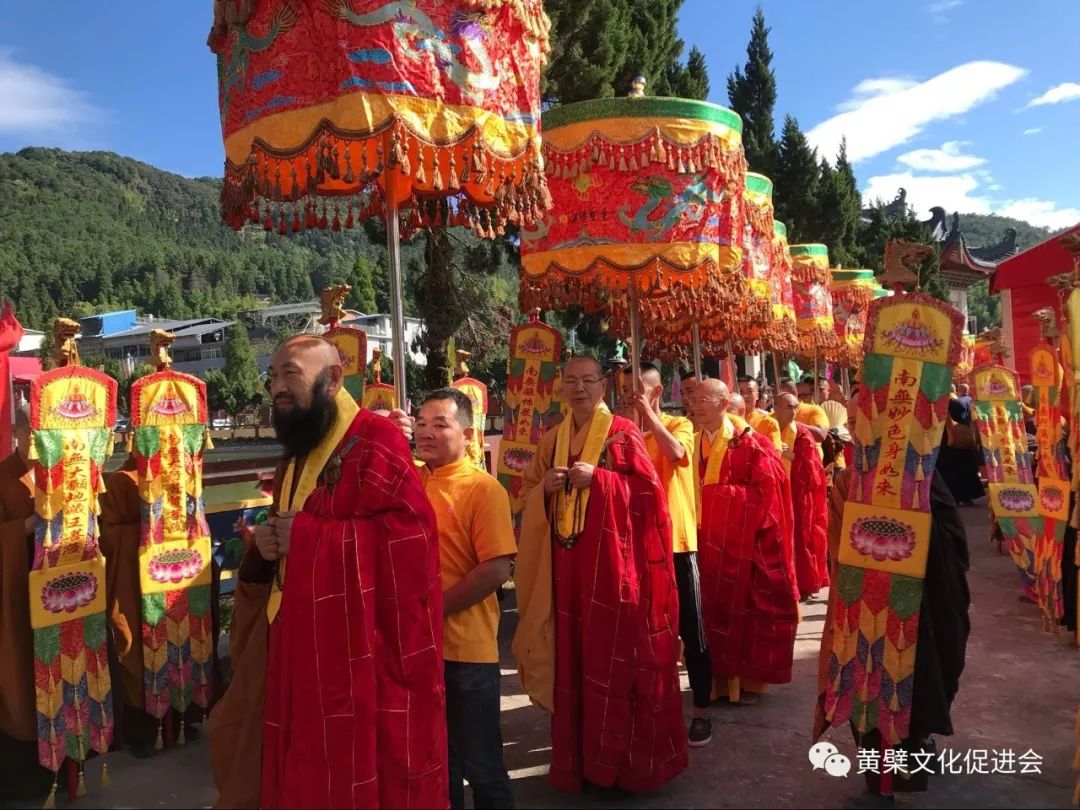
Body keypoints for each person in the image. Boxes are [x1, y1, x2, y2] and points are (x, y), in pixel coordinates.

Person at [209, 335, 447, 809]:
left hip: (360, 655)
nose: (278, 386)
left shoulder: (375, 442)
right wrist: (268, 547)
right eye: (273, 376)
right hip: (295, 647)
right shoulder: (298, 449)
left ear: (333, 379)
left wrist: (313, 538)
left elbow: (414, 541)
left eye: (291, 373)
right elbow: (288, 534)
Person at [512, 355, 687, 793]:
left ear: (603, 387)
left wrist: (604, 481)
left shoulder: (623, 434)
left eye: (588, 381)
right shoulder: (552, 440)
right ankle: (582, 764)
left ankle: (626, 767)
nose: (579, 389)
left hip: (613, 570)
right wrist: (545, 492)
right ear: (561, 388)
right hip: (566, 572)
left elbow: (651, 498)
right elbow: (528, 495)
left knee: (617, 661)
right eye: (570, 382)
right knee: (572, 662)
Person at [814, 406, 971, 809]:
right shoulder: (848, 479)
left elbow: (951, 545)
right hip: (861, 603)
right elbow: (837, 546)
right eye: (851, 422)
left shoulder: (920, 475)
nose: (856, 428)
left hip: (916, 608)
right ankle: (879, 781)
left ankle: (908, 760)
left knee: (915, 684)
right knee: (867, 691)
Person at [413, 389, 516, 810]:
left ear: (467, 431)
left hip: (466, 651)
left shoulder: (482, 488)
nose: (427, 432)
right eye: (421, 423)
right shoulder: (412, 481)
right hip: (419, 648)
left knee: (482, 764)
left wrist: (433, 611)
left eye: (440, 424)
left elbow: (496, 569)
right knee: (437, 763)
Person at [99, 453, 219, 756]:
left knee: (182, 643)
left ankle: (181, 717)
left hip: (174, 580)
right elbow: (107, 536)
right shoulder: (120, 483)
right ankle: (143, 730)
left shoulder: (179, 478)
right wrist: (144, 533)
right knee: (137, 648)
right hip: (134, 585)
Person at [619, 363, 712, 747]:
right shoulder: (617, 430)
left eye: (637, 388)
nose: (629, 394)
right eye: (624, 388)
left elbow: (675, 455)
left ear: (657, 392)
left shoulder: (678, 425)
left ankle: (702, 712)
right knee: (639, 629)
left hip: (676, 542)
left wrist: (649, 416)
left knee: (691, 628)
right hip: (635, 543)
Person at [692, 379, 798, 705]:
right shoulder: (691, 441)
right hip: (704, 543)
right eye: (692, 399)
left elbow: (768, 494)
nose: (694, 405)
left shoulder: (752, 444)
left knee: (745, 615)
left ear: (724, 404)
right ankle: (711, 684)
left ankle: (746, 686)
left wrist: (717, 499)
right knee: (705, 615)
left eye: (703, 399)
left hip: (743, 546)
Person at [0, 403, 57, 802]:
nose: (36, 444)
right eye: (29, 434)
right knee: (21, 680)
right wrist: (26, 525)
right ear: (16, 433)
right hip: (15, 596)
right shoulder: (2, 475)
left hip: (57, 593)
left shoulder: (55, 473)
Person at [774, 392, 829, 601]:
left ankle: (803, 583)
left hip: (800, 493)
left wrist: (789, 454)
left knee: (801, 536)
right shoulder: (768, 426)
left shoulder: (803, 433)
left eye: (796, 407)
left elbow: (812, 467)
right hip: (777, 489)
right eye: (788, 407)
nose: (794, 412)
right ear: (776, 407)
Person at [938, 383, 984, 506]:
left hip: (951, 442)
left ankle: (955, 497)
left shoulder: (950, 404)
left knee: (952, 471)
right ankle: (967, 496)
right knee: (966, 469)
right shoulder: (968, 402)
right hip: (966, 440)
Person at [739, 376, 782, 453]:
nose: (745, 395)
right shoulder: (727, 420)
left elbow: (775, 454)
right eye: (741, 392)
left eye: (750, 391)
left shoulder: (769, 423)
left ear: (757, 396)